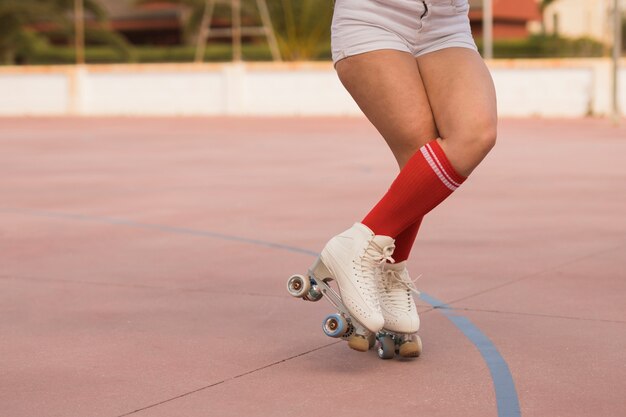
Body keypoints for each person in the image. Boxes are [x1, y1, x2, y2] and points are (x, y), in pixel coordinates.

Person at [312, 0, 497, 356]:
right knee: (420, 151)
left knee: (476, 134)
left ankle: (360, 249)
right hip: (374, 15)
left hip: (446, 22)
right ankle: (386, 265)